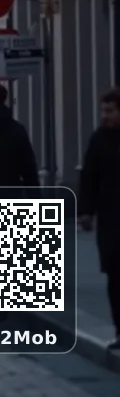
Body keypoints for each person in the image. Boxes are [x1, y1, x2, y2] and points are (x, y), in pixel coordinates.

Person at [79, 87, 120, 351]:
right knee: (115, 276)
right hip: (110, 218)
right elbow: (89, 177)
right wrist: (86, 211)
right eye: (103, 111)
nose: (105, 116)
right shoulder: (99, 139)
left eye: (110, 111)